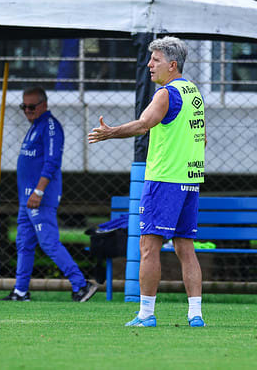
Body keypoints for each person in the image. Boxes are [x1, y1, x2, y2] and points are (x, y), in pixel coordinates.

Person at [88, 36, 206, 327]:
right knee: (185, 248)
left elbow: (143, 125)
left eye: (155, 60)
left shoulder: (165, 94)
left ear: (172, 64)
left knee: (148, 246)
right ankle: (195, 314)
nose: (149, 64)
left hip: (164, 179)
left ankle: (145, 314)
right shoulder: (193, 91)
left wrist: (110, 132)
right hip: (190, 178)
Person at [0, 86, 98, 302]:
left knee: (48, 242)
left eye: (32, 107)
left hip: (39, 197)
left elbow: (52, 161)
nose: (27, 111)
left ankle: (81, 285)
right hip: (27, 199)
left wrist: (38, 190)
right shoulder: (35, 125)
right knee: (24, 243)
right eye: (23, 107)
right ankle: (20, 291)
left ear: (44, 105)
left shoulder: (50, 126)